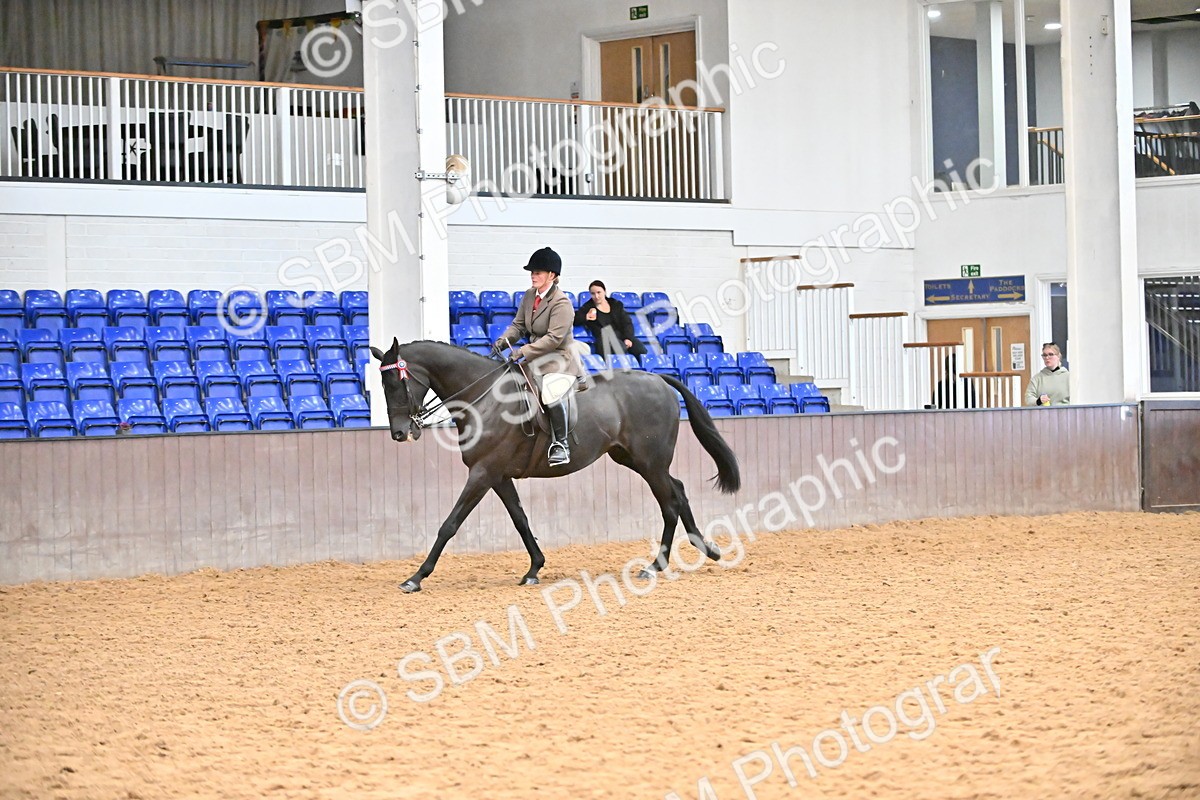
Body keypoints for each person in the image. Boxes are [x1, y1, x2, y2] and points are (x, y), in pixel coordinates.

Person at [492, 247, 584, 466]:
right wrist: (503, 342)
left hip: (559, 358)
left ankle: (561, 444)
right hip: (535, 355)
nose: (533, 275)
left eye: (538, 272)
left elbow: (553, 338)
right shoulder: (529, 295)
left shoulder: (562, 303)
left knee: (550, 392)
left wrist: (523, 351)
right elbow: (519, 325)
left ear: (552, 276)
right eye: (532, 272)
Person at [573, 280, 647, 359]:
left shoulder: (616, 304)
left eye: (599, 292)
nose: (596, 296)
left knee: (641, 350)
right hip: (604, 339)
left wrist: (628, 338)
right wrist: (586, 317)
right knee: (621, 348)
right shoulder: (588, 307)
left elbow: (627, 323)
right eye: (593, 294)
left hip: (621, 335)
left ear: (604, 292)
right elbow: (574, 318)